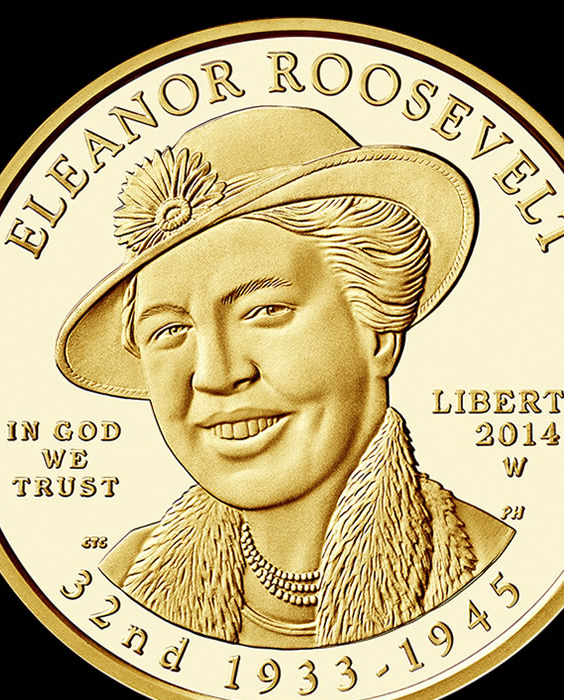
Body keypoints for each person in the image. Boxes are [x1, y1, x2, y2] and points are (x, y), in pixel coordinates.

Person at [56, 106, 514, 648]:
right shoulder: (125, 579)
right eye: (171, 330)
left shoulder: (488, 564)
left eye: (266, 311)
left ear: (378, 334)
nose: (216, 375)